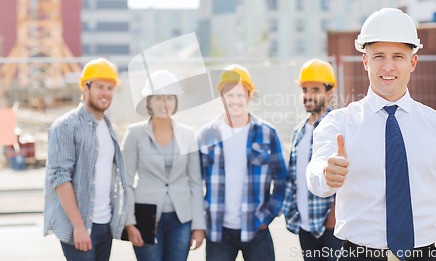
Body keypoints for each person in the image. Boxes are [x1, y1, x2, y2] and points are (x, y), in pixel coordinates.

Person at [306, 8, 436, 261]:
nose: (388, 66)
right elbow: (316, 177)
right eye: (379, 55)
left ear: (412, 62)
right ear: (365, 61)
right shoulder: (338, 124)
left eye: (398, 56)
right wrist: (327, 175)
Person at [198, 64, 287, 261]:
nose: (235, 100)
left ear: (249, 95)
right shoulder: (207, 134)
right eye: (229, 94)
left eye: (240, 94)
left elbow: (283, 180)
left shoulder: (266, 133)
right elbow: (195, 182)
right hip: (219, 231)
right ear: (221, 97)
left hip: (256, 229)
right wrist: (201, 220)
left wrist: (266, 217)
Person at [44, 58, 128, 261]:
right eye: (100, 87)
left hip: (104, 224)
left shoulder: (109, 128)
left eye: (110, 88)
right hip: (80, 227)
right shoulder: (66, 126)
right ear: (85, 87)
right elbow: (60, 177)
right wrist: (79, 227)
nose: (106, 93)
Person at [121, 70, 205, 261]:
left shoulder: (187, 134)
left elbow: (195, 182)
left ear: (176, 101)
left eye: (169, 98)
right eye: (158, 98)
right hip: (145, 216)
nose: (164, 104)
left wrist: (199, 225)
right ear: (148, 102)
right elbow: (125, 180)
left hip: (181, 218)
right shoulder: (135, 134)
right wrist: (129, 222)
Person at [282, 59, 343, 261]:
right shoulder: (299, 130)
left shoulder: (338, 125)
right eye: (305, 90)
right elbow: (294, 177)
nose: (308, 96)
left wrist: (334, 216)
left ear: (329, 92)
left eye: (315, 89)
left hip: (331, 227)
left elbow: (348, 173)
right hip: (305, 226)